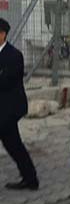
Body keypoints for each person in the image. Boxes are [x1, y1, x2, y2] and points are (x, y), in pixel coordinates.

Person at [0, 18, 39, 191]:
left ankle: (31, 179)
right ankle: (31, 179)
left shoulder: (14, 55)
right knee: (13, 145)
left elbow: (7, 81)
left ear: (3, 34)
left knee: (14, 145)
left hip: (9, 109)